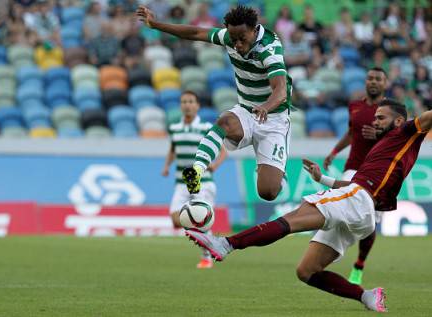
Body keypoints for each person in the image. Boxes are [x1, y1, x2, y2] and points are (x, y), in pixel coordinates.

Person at [185, 99, 432, 312]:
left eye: (381, 118)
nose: (375, 121)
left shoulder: (405, 133)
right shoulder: (388, 147)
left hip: (357, 200)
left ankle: (226, 244)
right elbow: (357, 184)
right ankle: (367, 296)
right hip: (362, 210)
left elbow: (425, 119)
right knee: (307, 271)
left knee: (294, 219)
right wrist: (321, 178)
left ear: (399, 121)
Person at [137, 5, 293, 201]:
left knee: (267, 192)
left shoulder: (269, 49)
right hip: (247, 110)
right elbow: (195, 32)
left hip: (274, 118)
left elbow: (280, 91)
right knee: (224, 122)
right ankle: (196, 172)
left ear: (254, 30)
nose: (236, 44)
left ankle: (279, 173)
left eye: (241, 39)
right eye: (233, 39)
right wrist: (156, 24)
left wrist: (266, 107)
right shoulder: (230, 36)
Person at [323, 67, 388, 285]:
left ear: (385, 84)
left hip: (378, 173)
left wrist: (380, 135)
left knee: (370, 224)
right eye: (370, 78)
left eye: (378, 79)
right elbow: (351, 133)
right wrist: (334, 152)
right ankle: (329, 247)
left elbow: (399, 139)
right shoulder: (355, 106)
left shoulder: (391, 110)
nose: (373, 82)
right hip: (353, 168)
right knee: (338, 202)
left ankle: (359, 264)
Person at [162, 91, 226, 269]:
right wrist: (166, 166)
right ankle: (209, 240)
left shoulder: (206, 127)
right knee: (177, 220)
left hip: (202, 180)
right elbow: (173, 149)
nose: (187, 105)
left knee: (200, 219)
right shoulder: (174, 129)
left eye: (191, 101)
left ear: (197, 106)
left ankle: (207, 256)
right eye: (184, 102)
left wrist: (215, 165)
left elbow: (222, 151)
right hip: (183, 181)